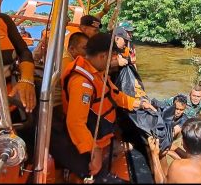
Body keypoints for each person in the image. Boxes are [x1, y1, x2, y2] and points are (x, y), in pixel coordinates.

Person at [54, 32, 156, 180]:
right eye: (112, 57)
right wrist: (93, 150)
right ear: (102, 56)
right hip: (93, 141)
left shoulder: (98, 73)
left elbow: (115, 94)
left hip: (104, 135)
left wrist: (139, 103)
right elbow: (75, 122)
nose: (113, 61)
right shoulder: (82, 83)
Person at [0, 0, 36, 114]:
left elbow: (24, 52)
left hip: (9, 100)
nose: (2, 0)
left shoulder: (4, 20)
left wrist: (27, 80)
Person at [148, 117, 201, 183]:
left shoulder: (178, 167)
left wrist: (154, 154)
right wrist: (175, 149)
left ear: (183, 143)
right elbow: (196, 160)